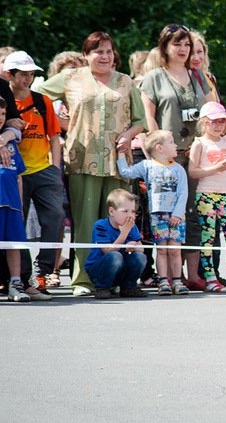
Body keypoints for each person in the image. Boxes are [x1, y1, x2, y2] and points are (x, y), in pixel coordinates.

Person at [37, 31, 146, 297]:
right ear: (86, 55)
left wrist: (129, 135)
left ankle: (117, 278)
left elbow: (141, 121)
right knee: (86, 222)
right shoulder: (71, 77)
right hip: (82, 158)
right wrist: (59, 122)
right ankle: (83, 280)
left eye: (108, 51)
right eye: (98, 51)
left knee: (119, 221)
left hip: (118, 162)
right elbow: (35, 95)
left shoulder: (126, 81)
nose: (105, 56)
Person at [140, 24, 215, 290]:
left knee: (190, 212)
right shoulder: (154, 78)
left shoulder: (197, 76)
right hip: (166, 157)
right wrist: (155, 149)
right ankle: (164, 275)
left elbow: (210, 108)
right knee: (163, 213)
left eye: (186, 45)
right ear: (165, 48)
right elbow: (148, 116)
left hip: (195, 153)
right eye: (177, 45)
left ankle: (191, 274)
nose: (183, 50)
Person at [4, 51, 64, 294]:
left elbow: (55, 137)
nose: (28, 79)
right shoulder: (5, 103)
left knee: (56, 217)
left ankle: (43, 272)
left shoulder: (42, 101)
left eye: (31, 74)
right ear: (10, 75)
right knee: (17, 224)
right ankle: (24, 276)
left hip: (43, 169)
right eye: (23, 74)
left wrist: (56, 168)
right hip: (15, 172)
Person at [117, 130, 189, 296]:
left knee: (175, 249)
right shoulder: (147, 166)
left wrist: (178, 214)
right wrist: (121, 155)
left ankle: (177, 280)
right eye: (171, 142)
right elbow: (127, 172)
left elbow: (183, 192)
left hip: (176, 216)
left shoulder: (178, 169)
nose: (176, 145)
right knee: (162, 249)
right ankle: (163, 281)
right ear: (159, 148)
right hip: (157, 215)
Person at [188, 102, 226, 292]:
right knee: (208, 236)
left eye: (222, 121)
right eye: (214, 122)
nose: (218, 125)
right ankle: (211, 277)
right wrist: (215, 168)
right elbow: (193, 171)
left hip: (225, 195)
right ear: (204, 123)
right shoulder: (199, 143)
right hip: (205, 195)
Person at [0, 96, 49, 302]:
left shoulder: (10, 143)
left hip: (11, 205)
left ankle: (15, 282)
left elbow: (19, 176)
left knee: (14, 246)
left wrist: (20, 206)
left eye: (3, 114)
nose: (0, 118)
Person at [84, 189, 148, 299]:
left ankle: (129, 287)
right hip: (99, 270)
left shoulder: (131, 226)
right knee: (115, 256)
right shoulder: (101, 225)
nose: (130, 215)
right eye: (125, 211)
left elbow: (141, 249)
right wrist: (124, 234)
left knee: (140, 257)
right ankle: (102, 287)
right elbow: (107, 251)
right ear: (112, 212)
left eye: (133, 211)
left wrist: (134, 245)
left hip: (120, 269)